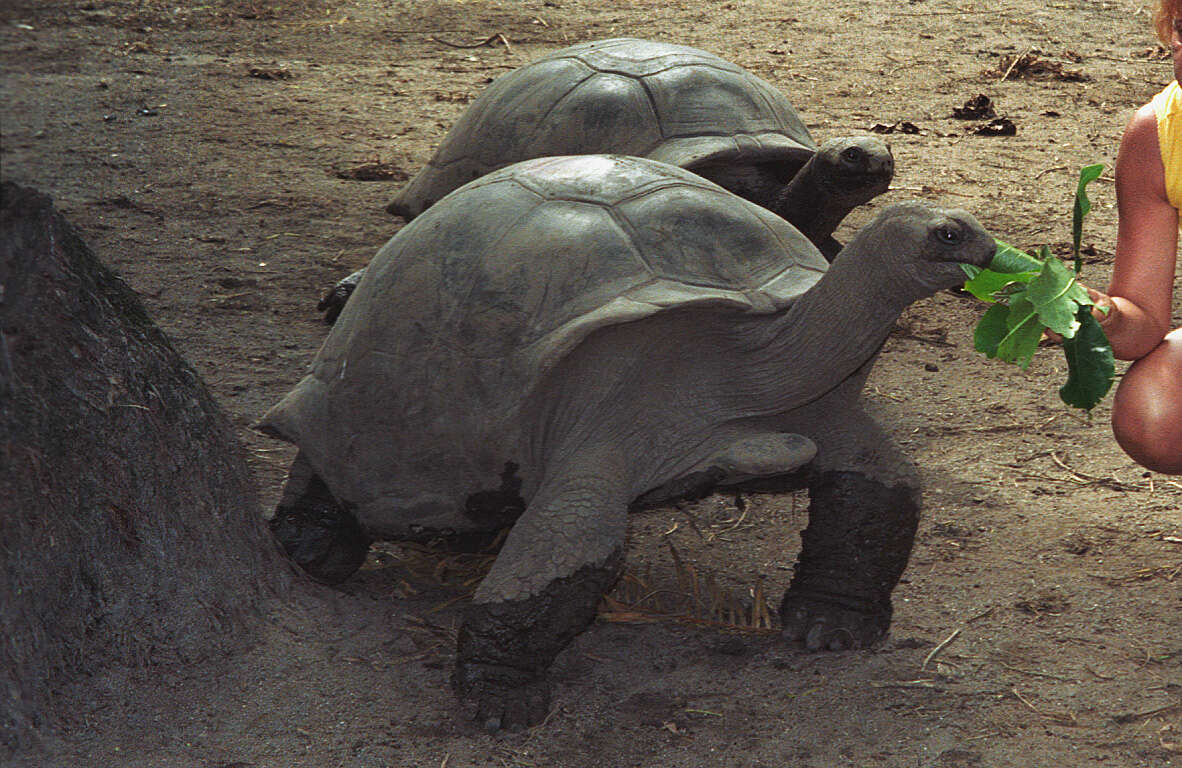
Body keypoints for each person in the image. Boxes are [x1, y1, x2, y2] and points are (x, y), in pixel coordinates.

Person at [1083, 0, 1182, 474]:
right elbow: (1142, 322)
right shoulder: (1159, 133)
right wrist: (1102, 315)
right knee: (1156, 413)